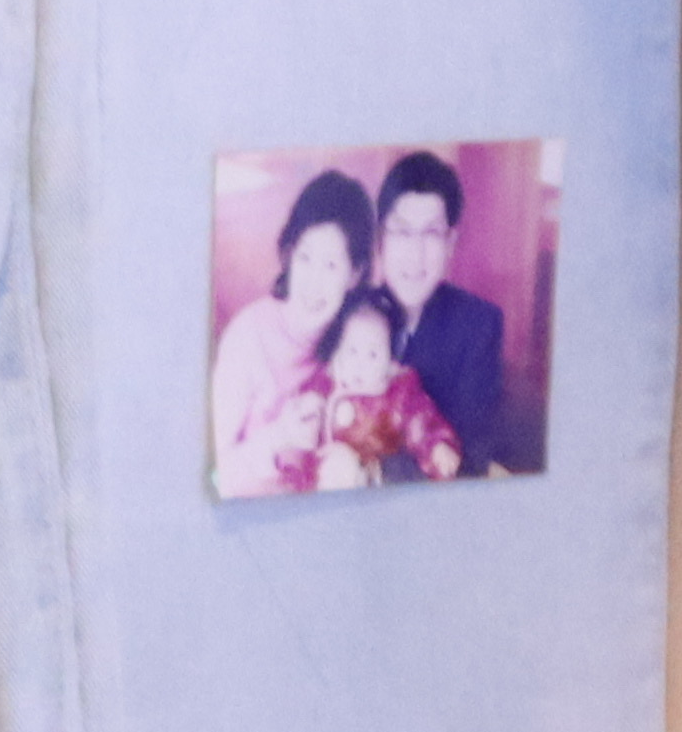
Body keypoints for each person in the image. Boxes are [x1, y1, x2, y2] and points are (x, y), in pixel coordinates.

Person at [210, 168, 376, 493]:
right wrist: (279, 437)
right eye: (305, 258)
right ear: (289, 255)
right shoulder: (248, 338)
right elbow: (214, 478)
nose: (313, 282)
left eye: (331, 265)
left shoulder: (355, 344)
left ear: (355, 274)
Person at [372, 150, 522, 475]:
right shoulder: (355, 312)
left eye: (431, 233)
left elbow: (470, 460)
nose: (415, 254)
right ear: (381, 239)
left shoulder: (479, 326)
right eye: (402, 232)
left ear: (451, 243)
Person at [299, 287, 467, 491]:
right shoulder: (324, 386)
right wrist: (303, 416)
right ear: (338, 351)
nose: (361, 364)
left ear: (389, 360)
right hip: (326, 480)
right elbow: (300, 424)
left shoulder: (398, 392)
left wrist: (436, 446)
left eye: (373, 355)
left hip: (379, 482)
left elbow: (421, 420)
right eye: (352, 351)